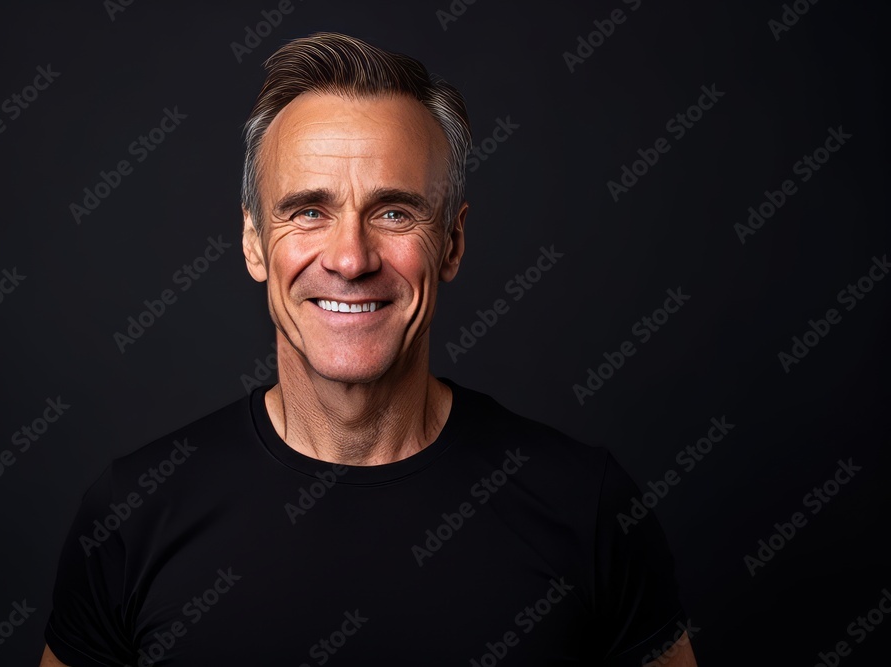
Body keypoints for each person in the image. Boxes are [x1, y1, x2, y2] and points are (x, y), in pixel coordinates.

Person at [40, 32, 698, 666]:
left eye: (393, 212)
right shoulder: (132, 514)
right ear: (251, 241)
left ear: (452, 242)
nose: (351, 258)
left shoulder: (587, 506)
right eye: (307, 210)